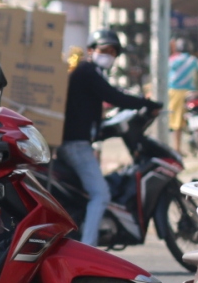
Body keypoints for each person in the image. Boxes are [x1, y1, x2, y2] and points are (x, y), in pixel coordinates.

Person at [59, 29, 161, 247]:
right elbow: (113, 96)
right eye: (104, 50)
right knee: (101, 194)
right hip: (76, 145)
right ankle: (88, 247)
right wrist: (146, 103)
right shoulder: (87, 71)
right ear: (91, 50)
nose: (109, 55)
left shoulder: (89, 72)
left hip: (77, 143)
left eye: (113, 52)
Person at [167, 38, 198, 152]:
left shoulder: (172, 60)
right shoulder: (193, 60)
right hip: (191, 93)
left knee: (177, 121)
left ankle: (177, 148)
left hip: (174, 92)